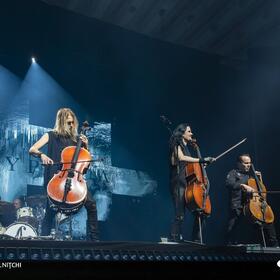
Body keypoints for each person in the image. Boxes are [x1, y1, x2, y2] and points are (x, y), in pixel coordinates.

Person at [29, 108, 99, 241]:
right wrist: (42, 155)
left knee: (92, 204)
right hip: (56, 179)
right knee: (50, 212)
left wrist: (86, 146)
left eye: (73, 123)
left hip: (74, 180)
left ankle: (94, 240)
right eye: (68, 123)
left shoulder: (77, 140)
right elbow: (32, 149)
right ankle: (43, 243)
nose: (72, 125)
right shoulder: (51, 135)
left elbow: (85, 165)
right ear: (61, 122)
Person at [169, 123, 215, 243]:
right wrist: (200, 160)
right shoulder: (176, 143)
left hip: (188, 182)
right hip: (179, 181)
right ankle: (174, 238)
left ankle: (196, 238)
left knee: (201, 212)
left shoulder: (187, 148)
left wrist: (202, 164)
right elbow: (181, 158)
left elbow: (191, 165)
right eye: (189, 131)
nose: (191, 133)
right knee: (180, 214)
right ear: (182, 133)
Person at [225, 154, 279, 247]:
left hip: (252, 204)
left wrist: (260, 179)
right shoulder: (233, 173)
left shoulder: (251, 176)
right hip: (238, 203)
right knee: (233, 225)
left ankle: (275, 244)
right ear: (238, 164)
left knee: (268, 219)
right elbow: (229, 184)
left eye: (249, 163)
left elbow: (261, 192)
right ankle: (231, 245)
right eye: (246, 163)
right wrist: (242, 185)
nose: (249, 165)